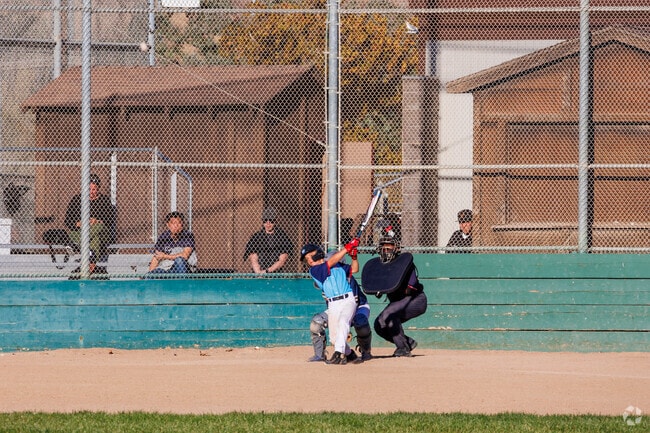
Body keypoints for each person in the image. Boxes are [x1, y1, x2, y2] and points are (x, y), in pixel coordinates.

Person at [361, 233, 427, 357]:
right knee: (379, 325)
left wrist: (399, 288)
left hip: (415, 299)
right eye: (383, 247)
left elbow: (410, 288)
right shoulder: (381, 266)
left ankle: (403, 349)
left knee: (389, 316)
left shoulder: (404, 263)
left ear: (396, 248)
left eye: (389, 247)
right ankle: (407, 342)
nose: (386, 250)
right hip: (397, 302)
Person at [300, 238, 360, 365]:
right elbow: (330, 263)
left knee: (344, 321)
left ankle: (339, 354)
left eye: (310, 256)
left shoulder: (337, 265)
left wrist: (354, 257)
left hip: (348, 299)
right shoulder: (315, 271)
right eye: (306, 259)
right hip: (333, 304)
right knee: (334, 338)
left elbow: (354, 270)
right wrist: (347, 248)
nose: (309, 260)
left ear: (318, 252)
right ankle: (350, 354)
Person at [308, 253, 372, 363]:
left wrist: (346, 321)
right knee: (318, 323)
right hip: (337, 308)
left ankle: (366, 352)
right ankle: (345, 354)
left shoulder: (347, 280)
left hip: (358, 306)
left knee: (359, 322)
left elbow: (353, 302)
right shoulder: (327, 278)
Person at [64, 173, 116, 274]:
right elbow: (67, 221)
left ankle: (75, 247)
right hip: (80, 232)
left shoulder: (104, 200)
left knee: (98, 227)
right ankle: (91, 266)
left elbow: (109, 221)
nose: (91, 192)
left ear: (98, 189)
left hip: (102, 232)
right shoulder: (77, 199)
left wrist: (97, 221)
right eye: (89, 189)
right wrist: (79, 223)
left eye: (94, 189)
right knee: (95, 240)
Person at [244, 207, 293, 274]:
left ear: (276, 221)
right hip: (258, 272)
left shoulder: (282, 237)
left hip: (276, 274)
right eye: (265, 220)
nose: (268, 223)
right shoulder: (256, 237)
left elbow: (282, 260)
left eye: (271, 220)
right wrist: (258, 273)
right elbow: (253, 257)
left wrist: (267, 271)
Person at [147, 211, 197, 276]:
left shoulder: (187, 235)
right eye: (173, 223)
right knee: (156, 271)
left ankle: (183, 285)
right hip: (167, 270)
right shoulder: (163, 237)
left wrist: (164, 256)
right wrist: (150, 273)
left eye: (179, 223)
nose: (176, 226)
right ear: (168, 225)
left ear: (182, 225)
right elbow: (156, 257)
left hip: (182, 269)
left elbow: (184, 256)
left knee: (179, 260)